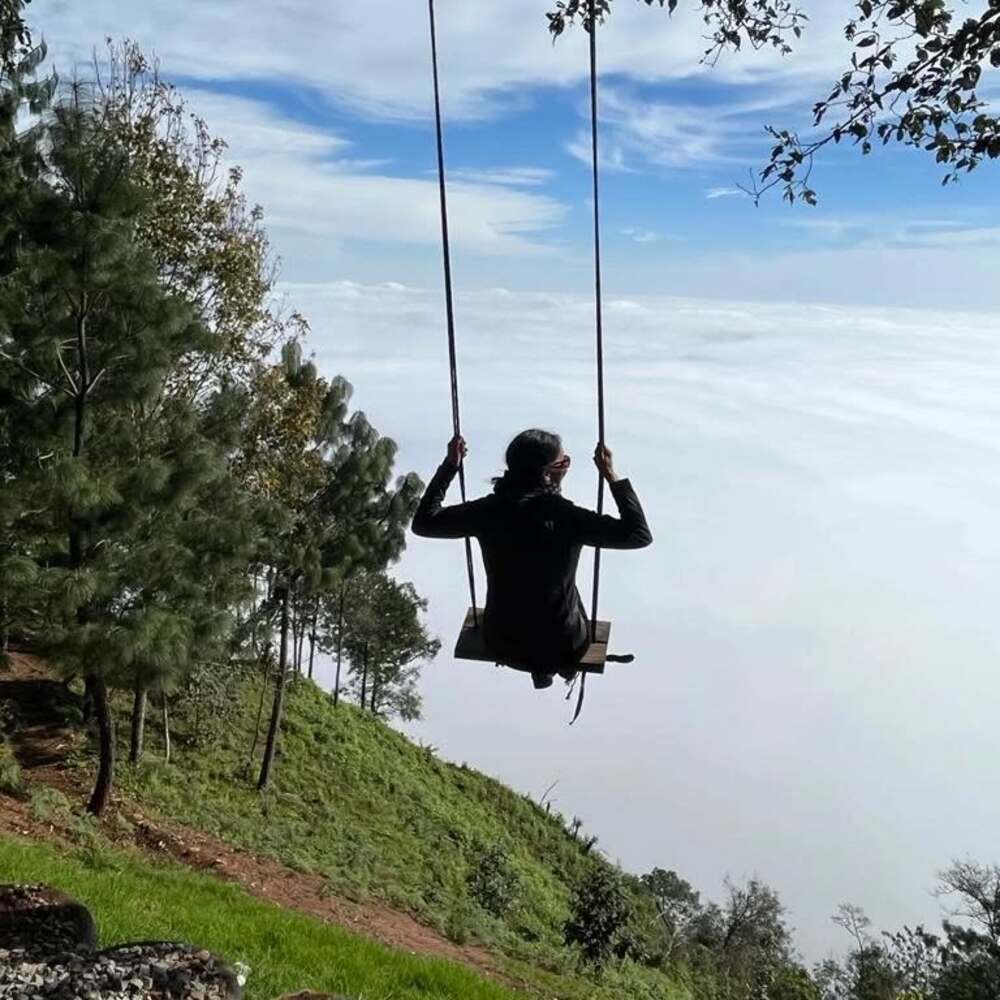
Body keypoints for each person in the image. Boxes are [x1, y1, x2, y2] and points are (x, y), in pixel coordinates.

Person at [412, 429, 652, 689]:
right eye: (564, 462)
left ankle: (543, 670)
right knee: (566, 590)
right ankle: (552, 667)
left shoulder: (488, 511)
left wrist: (450, 466)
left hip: (503, 642)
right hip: (565, 646)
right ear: (548, 472)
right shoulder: (567, 517)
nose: (566, 468)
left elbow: (424, 523)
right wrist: (611, 476)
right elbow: (638, 535)